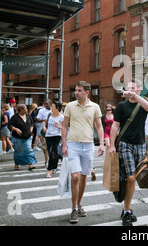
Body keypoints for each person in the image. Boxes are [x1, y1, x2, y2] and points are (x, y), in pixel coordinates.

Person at [109, 79, 148, 226]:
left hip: (140, 144)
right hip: (125, 144)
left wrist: (135, 95)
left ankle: (126, 207)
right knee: (131, 178)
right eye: (128, 88)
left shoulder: (143, 104)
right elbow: (115, 126)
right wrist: (111, 145)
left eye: (133, 88)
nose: (130, 90)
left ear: (139, 89)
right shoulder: (121, 106)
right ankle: (127, 211)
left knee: (136, 179)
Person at [62, 81, 105, 224]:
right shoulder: (70, 106)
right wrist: (64, 145)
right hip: (73, 144)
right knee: (75, 177)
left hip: (88, 146)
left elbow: (99, 126)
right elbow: (64, 126)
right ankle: (74, 208)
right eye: (75, 90)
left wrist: (102, 144)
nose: (76, 92)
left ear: (87, 92)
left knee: (83, 177)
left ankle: (79, 204)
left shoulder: (95, 107)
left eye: (79, 90)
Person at [7, 104, 36, 171]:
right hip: (18, 137)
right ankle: (17, 164)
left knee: (28, 149)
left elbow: (32, 123)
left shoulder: (28, 115)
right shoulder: (14, 117)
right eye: (25, 108)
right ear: (21, 110)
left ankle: (30, 164)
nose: (27, 109)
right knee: (18, 151)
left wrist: (30, 131)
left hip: (28, 136)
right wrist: (16, 129)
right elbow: (9, 126)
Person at [43, 101, 64, 178]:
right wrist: (44, 127)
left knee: (53, 152)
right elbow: (45, 124)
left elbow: (63, 128)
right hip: (48, 135)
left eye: (53, 107)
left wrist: (58, 126)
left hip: (56, 136)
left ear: (57, 108)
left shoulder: (61, 117)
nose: (51, 108)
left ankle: (49, 170)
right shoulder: (49, 115)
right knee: (51, 152)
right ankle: (54, 167)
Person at [35, 99, 52, 167]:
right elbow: (37, 119)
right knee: (45, 147)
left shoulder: (53, 110)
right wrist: (43, 120)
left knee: (51, 147)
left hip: (52, 131)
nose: (45, 105)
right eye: (44, 104)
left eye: (47, 104)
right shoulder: (41, 111)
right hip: (44, 130)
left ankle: (51, 160)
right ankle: (47, 161)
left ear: (50, 104)